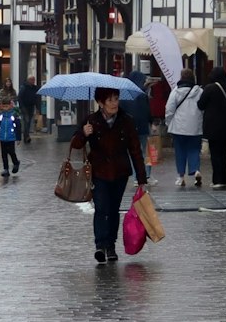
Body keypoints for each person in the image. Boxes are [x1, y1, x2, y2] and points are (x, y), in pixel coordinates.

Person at [75, 88, 148, 264]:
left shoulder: (126, 121)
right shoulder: (91, 121)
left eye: (116, 99)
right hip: (98, 172)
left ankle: (111, 246)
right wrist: (83, 133)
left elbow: (135, 150)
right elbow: (76, 144)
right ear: (101, 103)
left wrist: (141, 178)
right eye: (110, 100)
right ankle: (100, 245)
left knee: (114, 209)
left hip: (120, 172)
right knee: (101, 208)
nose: (115, 103)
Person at [164, 71, 205, 189]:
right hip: (195, 127)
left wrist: (168, 122)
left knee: (180, 151)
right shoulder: (200, 92)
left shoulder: (175, 91)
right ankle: (195, 170)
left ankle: (181, 176)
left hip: (179, 127)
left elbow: (169, 109)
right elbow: (203, 109)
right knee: (194, 149)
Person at [198, 72, 226, 191]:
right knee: (224, 152)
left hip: (212, 125)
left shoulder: (209, 88)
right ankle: (224, 179)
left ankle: (217, 180)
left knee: (215, 153)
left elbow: (201, 105)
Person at [0, 97, 22, 180]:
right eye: (4, 106)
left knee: (11, 152)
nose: (5, 108)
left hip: (11, 138)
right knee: (4, 154)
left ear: (10, 106)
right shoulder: (0, 117)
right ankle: (6, 169)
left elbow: (18, 127)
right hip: (2, 138)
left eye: (7, 106)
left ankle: (16, 162)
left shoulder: (13, 116)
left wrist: (18, 138)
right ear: (1, 106)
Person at [19, 76, 41, 145]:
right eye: (31, 80)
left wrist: (37, 107)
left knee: (28, 122)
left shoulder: (35, 88)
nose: (33, 81)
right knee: (26, 120)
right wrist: (21, 106)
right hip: (24, 107)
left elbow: (37, 98)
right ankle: (26, 136)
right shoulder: (24, 87)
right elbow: (20, 97)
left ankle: (26, 135)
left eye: (34, 80)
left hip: (31, 107)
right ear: (28, 80)